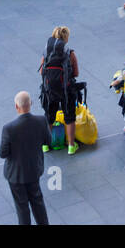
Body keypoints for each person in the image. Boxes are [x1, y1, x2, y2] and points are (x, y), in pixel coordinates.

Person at [0, 90, 52, 225]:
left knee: (22, 208)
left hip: (15, 175)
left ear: (17, 106)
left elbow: (2, 153)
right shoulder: (41, 121)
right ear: (31, 104)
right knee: (38, 203)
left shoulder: (9, 129)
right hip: (34, 170)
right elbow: (48, 141)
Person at [40, 25, 80, 156]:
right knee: (69, 117)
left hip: (49, 90)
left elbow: (42, 71)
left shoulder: (46, 52)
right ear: (66, 38)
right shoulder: (70, 53)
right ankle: (71, 147)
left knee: (49, 116)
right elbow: (76, 73)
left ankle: (45, 145)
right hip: (66, 90)